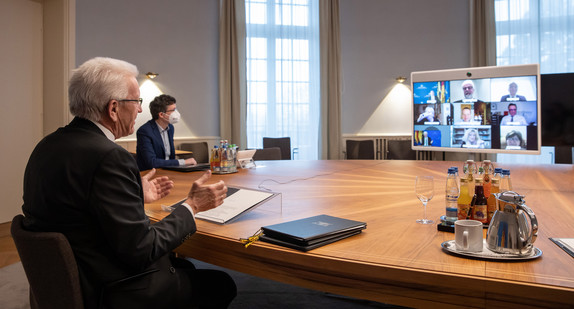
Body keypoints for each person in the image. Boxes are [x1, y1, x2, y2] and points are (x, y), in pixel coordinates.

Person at [21, 57, 237, 308]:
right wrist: (192, 205)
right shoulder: (109, 156)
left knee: (183, 265)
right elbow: (141, 249)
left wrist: (133, 193)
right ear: (113, 108)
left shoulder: (48, 144)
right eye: (136, 101)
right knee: (221, 283)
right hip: (111, 290)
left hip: (73, 277)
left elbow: (78, 206)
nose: (138, 109)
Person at [136, 94, 196, 171]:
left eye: (176, 109)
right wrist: (183, 162)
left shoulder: (170, 128)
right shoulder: (145, 131)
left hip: (169, 172)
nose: (176, 113)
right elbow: (152, 162)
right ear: (161, 114)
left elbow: (170, 157)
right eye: (173, 110)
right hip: (150, 175)